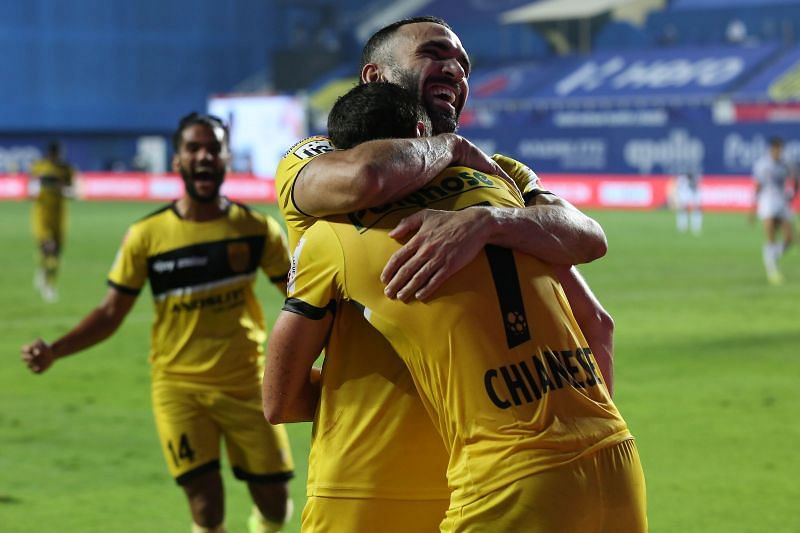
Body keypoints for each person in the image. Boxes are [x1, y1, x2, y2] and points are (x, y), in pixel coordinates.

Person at [273, 16, 615, 532]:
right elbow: (363, 177)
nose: (455, 68)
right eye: (434, 53)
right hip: (367, 472)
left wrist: (490, 219)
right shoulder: (319, 155)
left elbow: (586, 236)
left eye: (464, 63)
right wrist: (450, 147)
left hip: (488, 465)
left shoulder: (499, 174)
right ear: (375, 76)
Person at [21, 113, 295, 533]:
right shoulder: (146, 235)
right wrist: (56, 350)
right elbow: (111, 312)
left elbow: (300, 300)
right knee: (206, 505)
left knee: (276, 503)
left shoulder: (257, 230)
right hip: (178, 387)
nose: (204, 156)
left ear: (226, 159)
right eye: (193, 148)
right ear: (177, 161)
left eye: (213, 148)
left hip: (247, 383)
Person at [29, 140, 75, 302]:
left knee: (56, 252)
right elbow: (31, 189)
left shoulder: (66, 169)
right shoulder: (39, 167)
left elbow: (72, 190)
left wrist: (65, 188)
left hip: (59, 216)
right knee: (48, 247)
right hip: (42, 216)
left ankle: (43, 272)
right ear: (50, 154)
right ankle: (49, 287)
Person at [752, 136, 797, 284]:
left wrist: (792, 195)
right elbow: (758, 186)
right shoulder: (762, 165)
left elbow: (796, 180)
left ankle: (772, 257)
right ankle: (772, 271)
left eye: (780, 149)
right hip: (767, 202)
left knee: (790, 239)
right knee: (771, 235)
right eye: (776, 149)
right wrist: (753, 207)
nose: (778, 152)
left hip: (782, 201)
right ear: (771, 149)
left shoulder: (786, 164)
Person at [673, 170, 703, 234]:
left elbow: (696, 190)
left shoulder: (694, 180)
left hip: (691, 193)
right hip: (685, 194)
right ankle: (683, 227)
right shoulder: (682, 180)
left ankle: (695, 227)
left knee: (695, 210)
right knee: (683, 210)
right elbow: (679, 188)